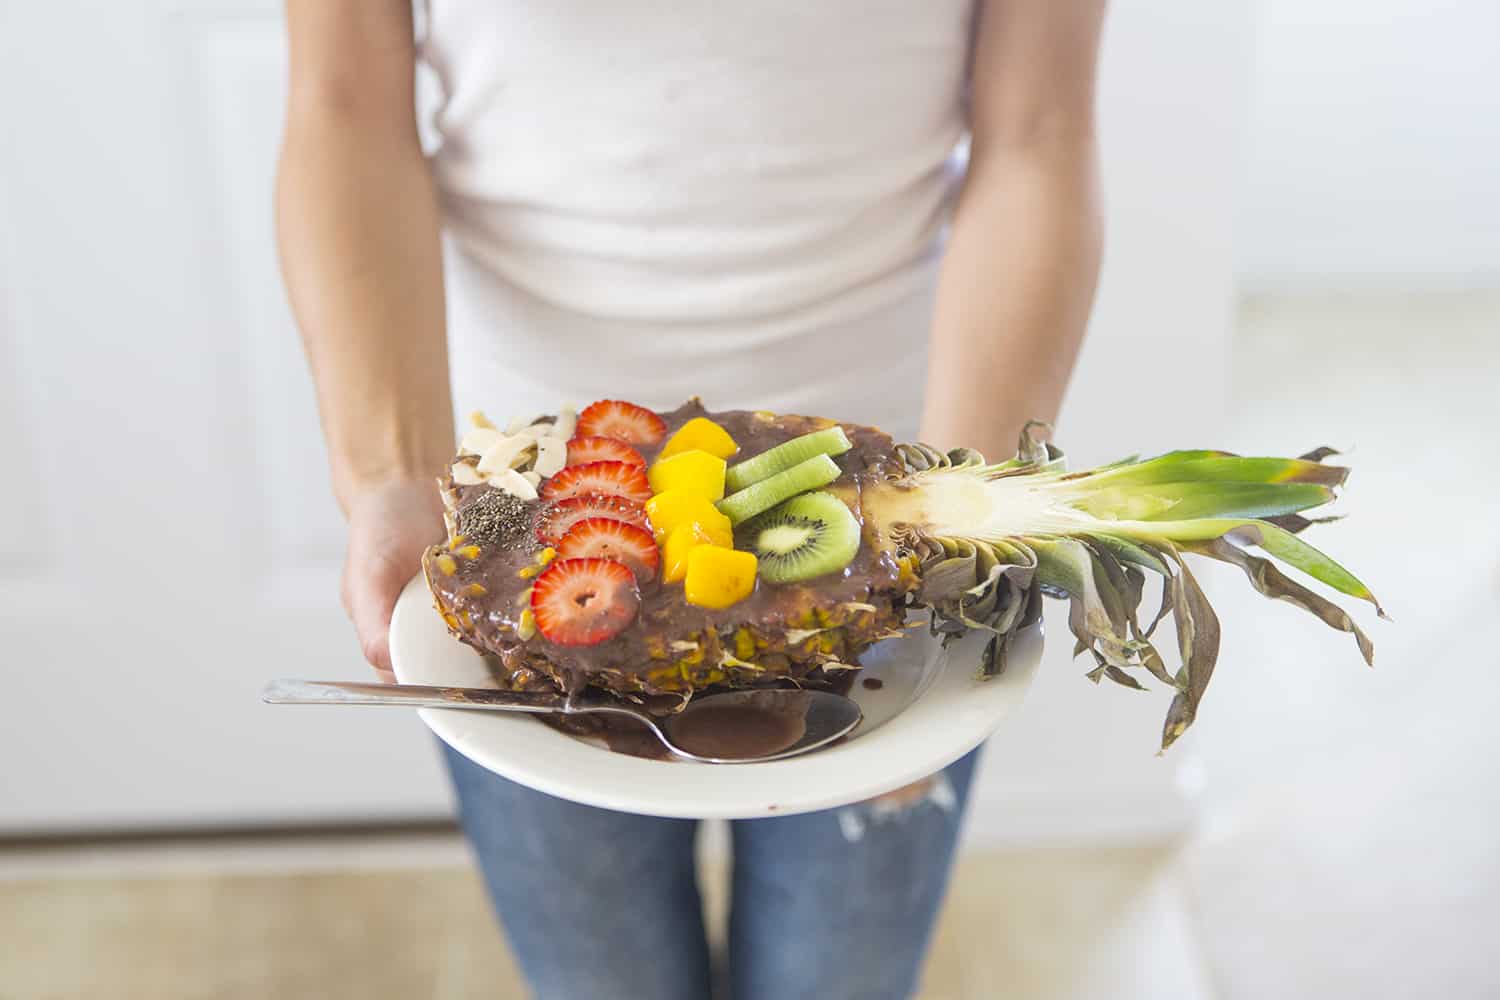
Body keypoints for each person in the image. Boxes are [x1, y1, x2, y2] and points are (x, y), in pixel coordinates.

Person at [277, 2, 1104, 996]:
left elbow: (1037, 133)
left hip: (886, 542)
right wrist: (387, 477)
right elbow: (346, 104)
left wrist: (957, 520)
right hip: (528, 552)